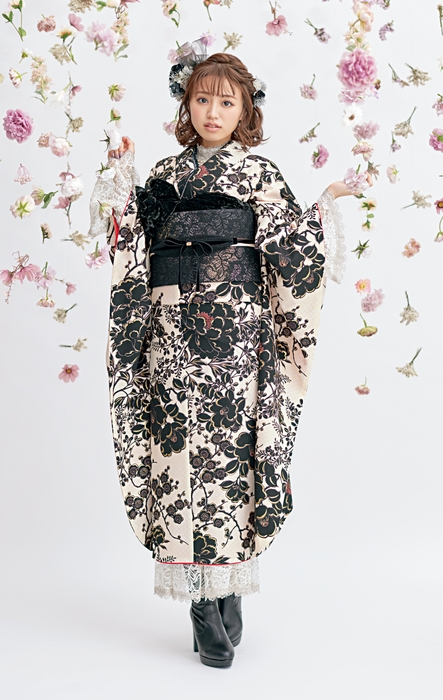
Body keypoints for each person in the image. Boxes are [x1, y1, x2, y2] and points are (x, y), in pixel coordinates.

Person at [89, 40, 372, 669]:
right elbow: (132, 242)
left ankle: (229, 583)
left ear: (245, 110)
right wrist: (119, 177)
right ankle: (199, 602)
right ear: (185, 105)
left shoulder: (258, 174)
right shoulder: (165, 175)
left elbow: (291, 245)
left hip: (236, 336)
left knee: (232, 453)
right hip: (171, 331)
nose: (211, 112)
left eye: (225, 102)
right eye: (201, 100)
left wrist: (324, 203)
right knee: (178, 451)